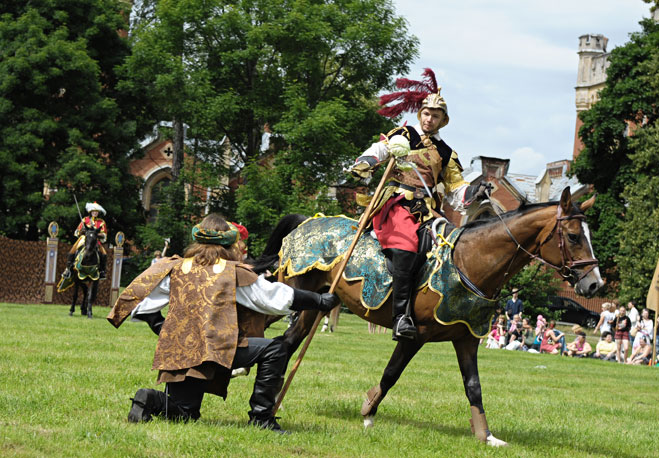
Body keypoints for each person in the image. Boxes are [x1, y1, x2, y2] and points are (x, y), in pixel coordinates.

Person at [107, 214, 339, 433]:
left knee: (186, 414)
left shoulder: (176, 268)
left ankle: (149, 398)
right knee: (275, 349)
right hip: (217, 349)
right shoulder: (230, 272)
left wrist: (162, 328)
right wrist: (319, 299)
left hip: (179, 353)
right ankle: (261, 418)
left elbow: (141, 303)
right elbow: (274, 297)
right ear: (228, 244)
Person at [348, 70, 488, 341]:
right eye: (426, 113)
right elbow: (381, 150)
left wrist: (475, 191)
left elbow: (456, 189)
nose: (429, 119)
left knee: (452, 249)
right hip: (398, 204)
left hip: (429, 212)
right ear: (420, 114)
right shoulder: (404, 134)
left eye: (435, 116)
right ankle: (400, 317)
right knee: (407, 248)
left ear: (443, 121)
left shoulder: (447, 153)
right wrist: (365, 162)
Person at [62, 201, 108, 280]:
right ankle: (68, 269)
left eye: (96, 212)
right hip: (84, 239)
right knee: (73, 249)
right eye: (93, 211)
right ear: (91, 212)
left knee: (104, 253)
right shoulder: (85, 220)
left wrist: (96, 234)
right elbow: (77, 232)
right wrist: (82, 231)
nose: (95, 213)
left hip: (95, 240)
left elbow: (104, 234)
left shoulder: (101, 222)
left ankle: (102, 271)